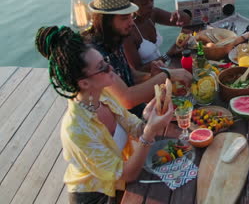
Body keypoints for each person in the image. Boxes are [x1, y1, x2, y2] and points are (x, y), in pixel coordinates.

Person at [35, 26, 174, 203]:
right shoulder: (76, 129)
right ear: (84, 83)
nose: (111, 68)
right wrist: (149, 132)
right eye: (102, 67)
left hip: (123, 178)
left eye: (105, 61)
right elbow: (127, 174)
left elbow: (136, 128)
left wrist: (149, 117)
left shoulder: (104, 95)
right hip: (99, 195)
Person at [82, 0, 192, 116]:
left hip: (137, 114)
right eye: (124, 18)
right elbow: (126, 99)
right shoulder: (94, 54)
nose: (131, 23)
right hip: (119, 121)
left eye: (131, 16)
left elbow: (131, 74)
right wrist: (168, 75)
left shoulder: (114, 37)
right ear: (105, 21)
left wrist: (151, 75)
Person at [115, 0, 192, 72]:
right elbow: (138, 70)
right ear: (130, 6)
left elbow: (184, 21)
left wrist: (183, 15)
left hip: (163, 69)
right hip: (149, 80)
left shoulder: (152, 14)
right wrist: (168, 55)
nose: (150, 5)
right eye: (144, 3)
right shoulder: (127, 33)